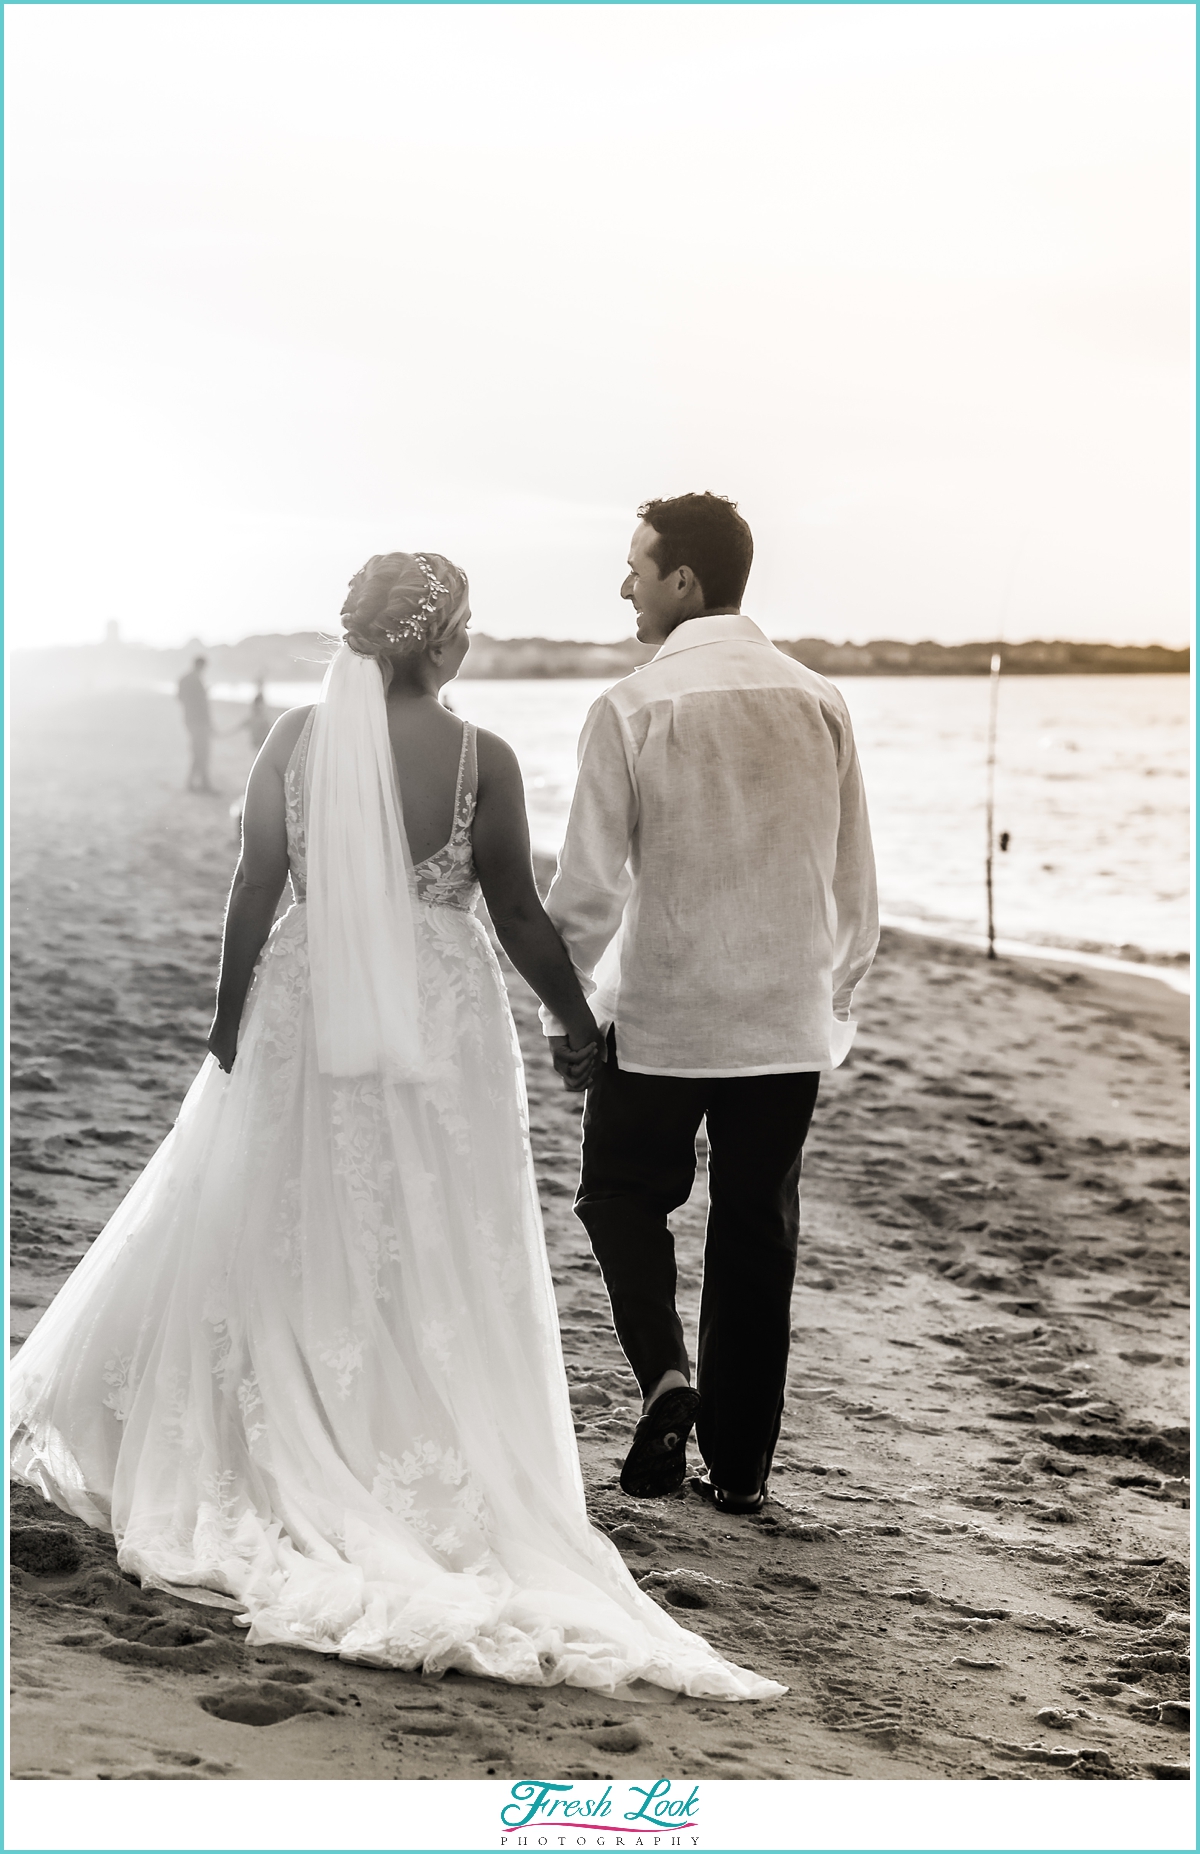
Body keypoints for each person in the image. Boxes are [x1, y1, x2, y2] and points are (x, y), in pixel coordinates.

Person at [8, 551, 782, 1700]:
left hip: (305, 999)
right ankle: (400, 1432)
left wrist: (228, 1021)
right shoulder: (484, 758)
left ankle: (286, 1420)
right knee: (429, 1228)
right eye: (465, 627)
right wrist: (577, 1024)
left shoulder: (290, 746)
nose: (469, 644)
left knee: (283, 1205)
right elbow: (517, 908)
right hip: (441, 1020)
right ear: (434, 642)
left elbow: (255, 889)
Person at [543, 494, 879, 1515]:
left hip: (661, 1013)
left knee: (617, 1196)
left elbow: (590, 890)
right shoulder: (819, 699)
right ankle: (739, 1472)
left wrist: (566, 1015)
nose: (625, 584)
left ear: (685, 580)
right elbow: (854, 883)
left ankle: (664, 1375)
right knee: (755, 1236)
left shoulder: (631, 707)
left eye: (638, 566)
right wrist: (831, 1007)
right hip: (781, 1019)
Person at [177, 654, 215, 792]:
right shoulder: (196, 680)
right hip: (199, 721)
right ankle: (202, 784)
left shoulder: (184, 678)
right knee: (202, 752)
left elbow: (179, 698)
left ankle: (193, 783)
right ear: (201, 666)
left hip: (189, 720)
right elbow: (202, 704)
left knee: (197, 751)